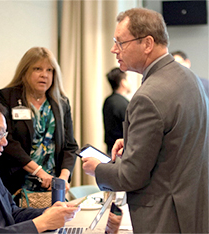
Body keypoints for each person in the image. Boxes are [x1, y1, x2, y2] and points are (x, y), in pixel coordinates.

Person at [82, 8, 208, 233]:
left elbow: (131, 176)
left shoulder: (148, 96)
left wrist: (97, 169)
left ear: (147, 43)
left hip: (165, 217)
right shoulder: (191, 78)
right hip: (193, 210)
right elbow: (178, 142)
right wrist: (132, 142)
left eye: (120, 42)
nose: (114, 49)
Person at [0, 97, 79, 233]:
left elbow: (12, 213)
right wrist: (41, 223)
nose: (5, 142)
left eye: (5, 134)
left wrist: (49, 213)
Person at [0, 47, 78, 197]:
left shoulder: (61, 104)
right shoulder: (7, 97)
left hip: (51, 187)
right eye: (37, 69)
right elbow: (8, 141)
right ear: (25, 71)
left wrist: (63, 178)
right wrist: (38, 171)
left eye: (49, 70)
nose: (44, 75)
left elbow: (70, 146)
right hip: (16, 186)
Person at [102, 67, 130, 155]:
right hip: (122, 152)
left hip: (111, 150)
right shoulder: (124, 104)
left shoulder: (108, 101)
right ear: (123, 82)